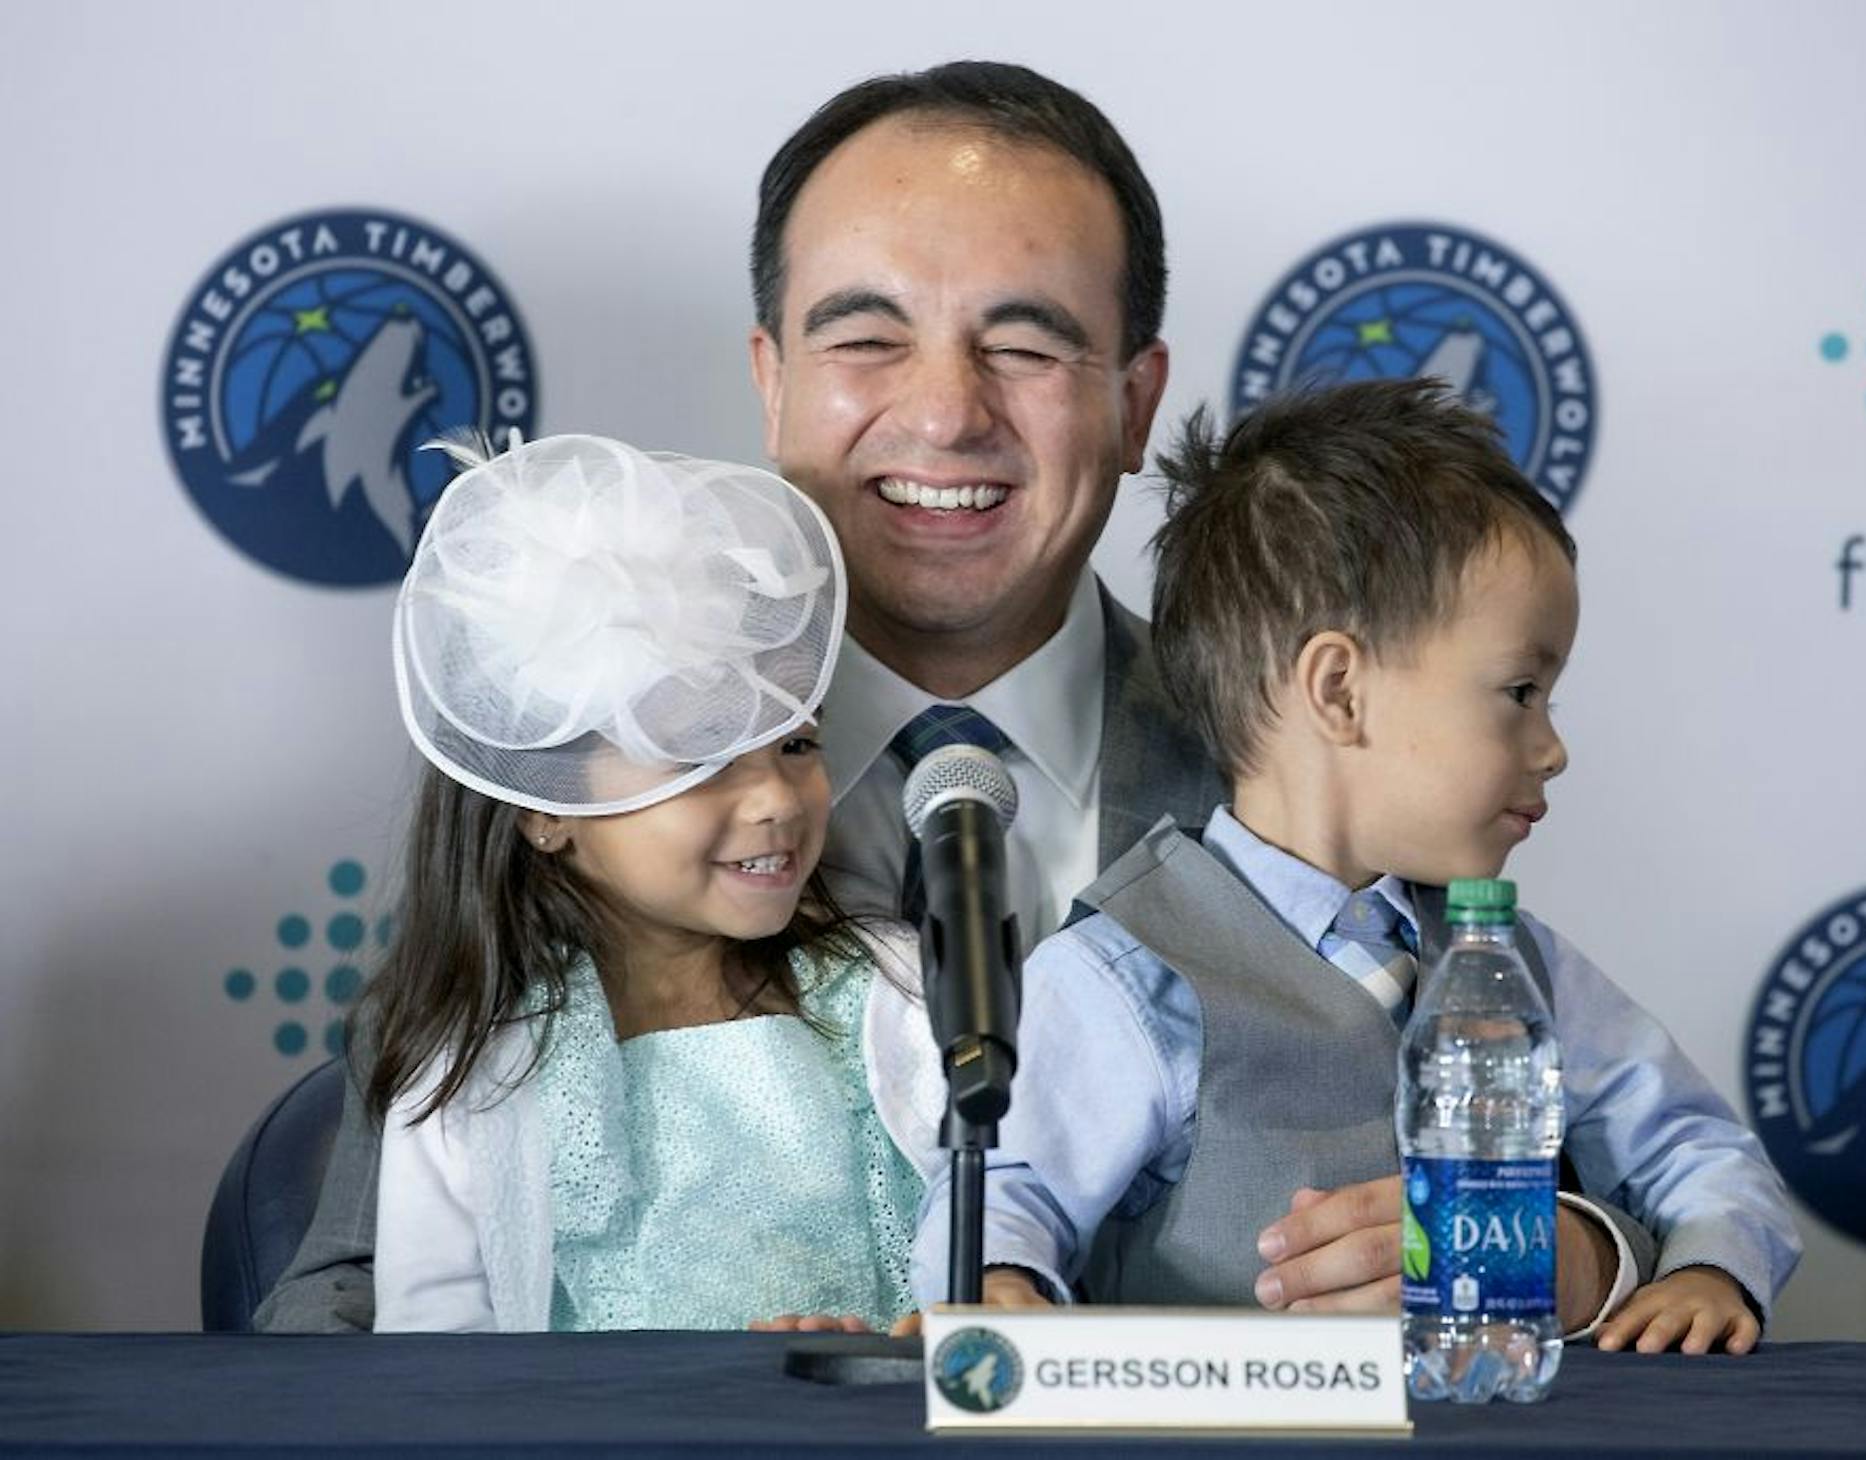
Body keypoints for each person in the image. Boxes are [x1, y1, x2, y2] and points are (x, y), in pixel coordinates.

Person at [255, 61, 1641, 1330]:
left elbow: (1606, 1167)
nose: (945, 413)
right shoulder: (592, 778)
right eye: (866, 338)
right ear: (770, 379)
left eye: (1026, 347)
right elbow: (355, 1306)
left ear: (1136, 401)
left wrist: (1555, 1255)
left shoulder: (1311, 755)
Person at [928, 378, 1802, 1353]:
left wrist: (1695, 1262)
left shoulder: (1515, 964)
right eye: (1521, 689)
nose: (1552, 747)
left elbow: (1700, 1148)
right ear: (1340, 688)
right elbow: (1001, 1194)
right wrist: (1001, 1281)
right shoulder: (1129, 976)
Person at [364, 432, 930, 1332]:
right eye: (699, 757)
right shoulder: (476, 1071)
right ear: (544, 804)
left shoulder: (896, 998)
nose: (776, 800)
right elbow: (434, 1365)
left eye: (796, 742)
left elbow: (990, 1253)